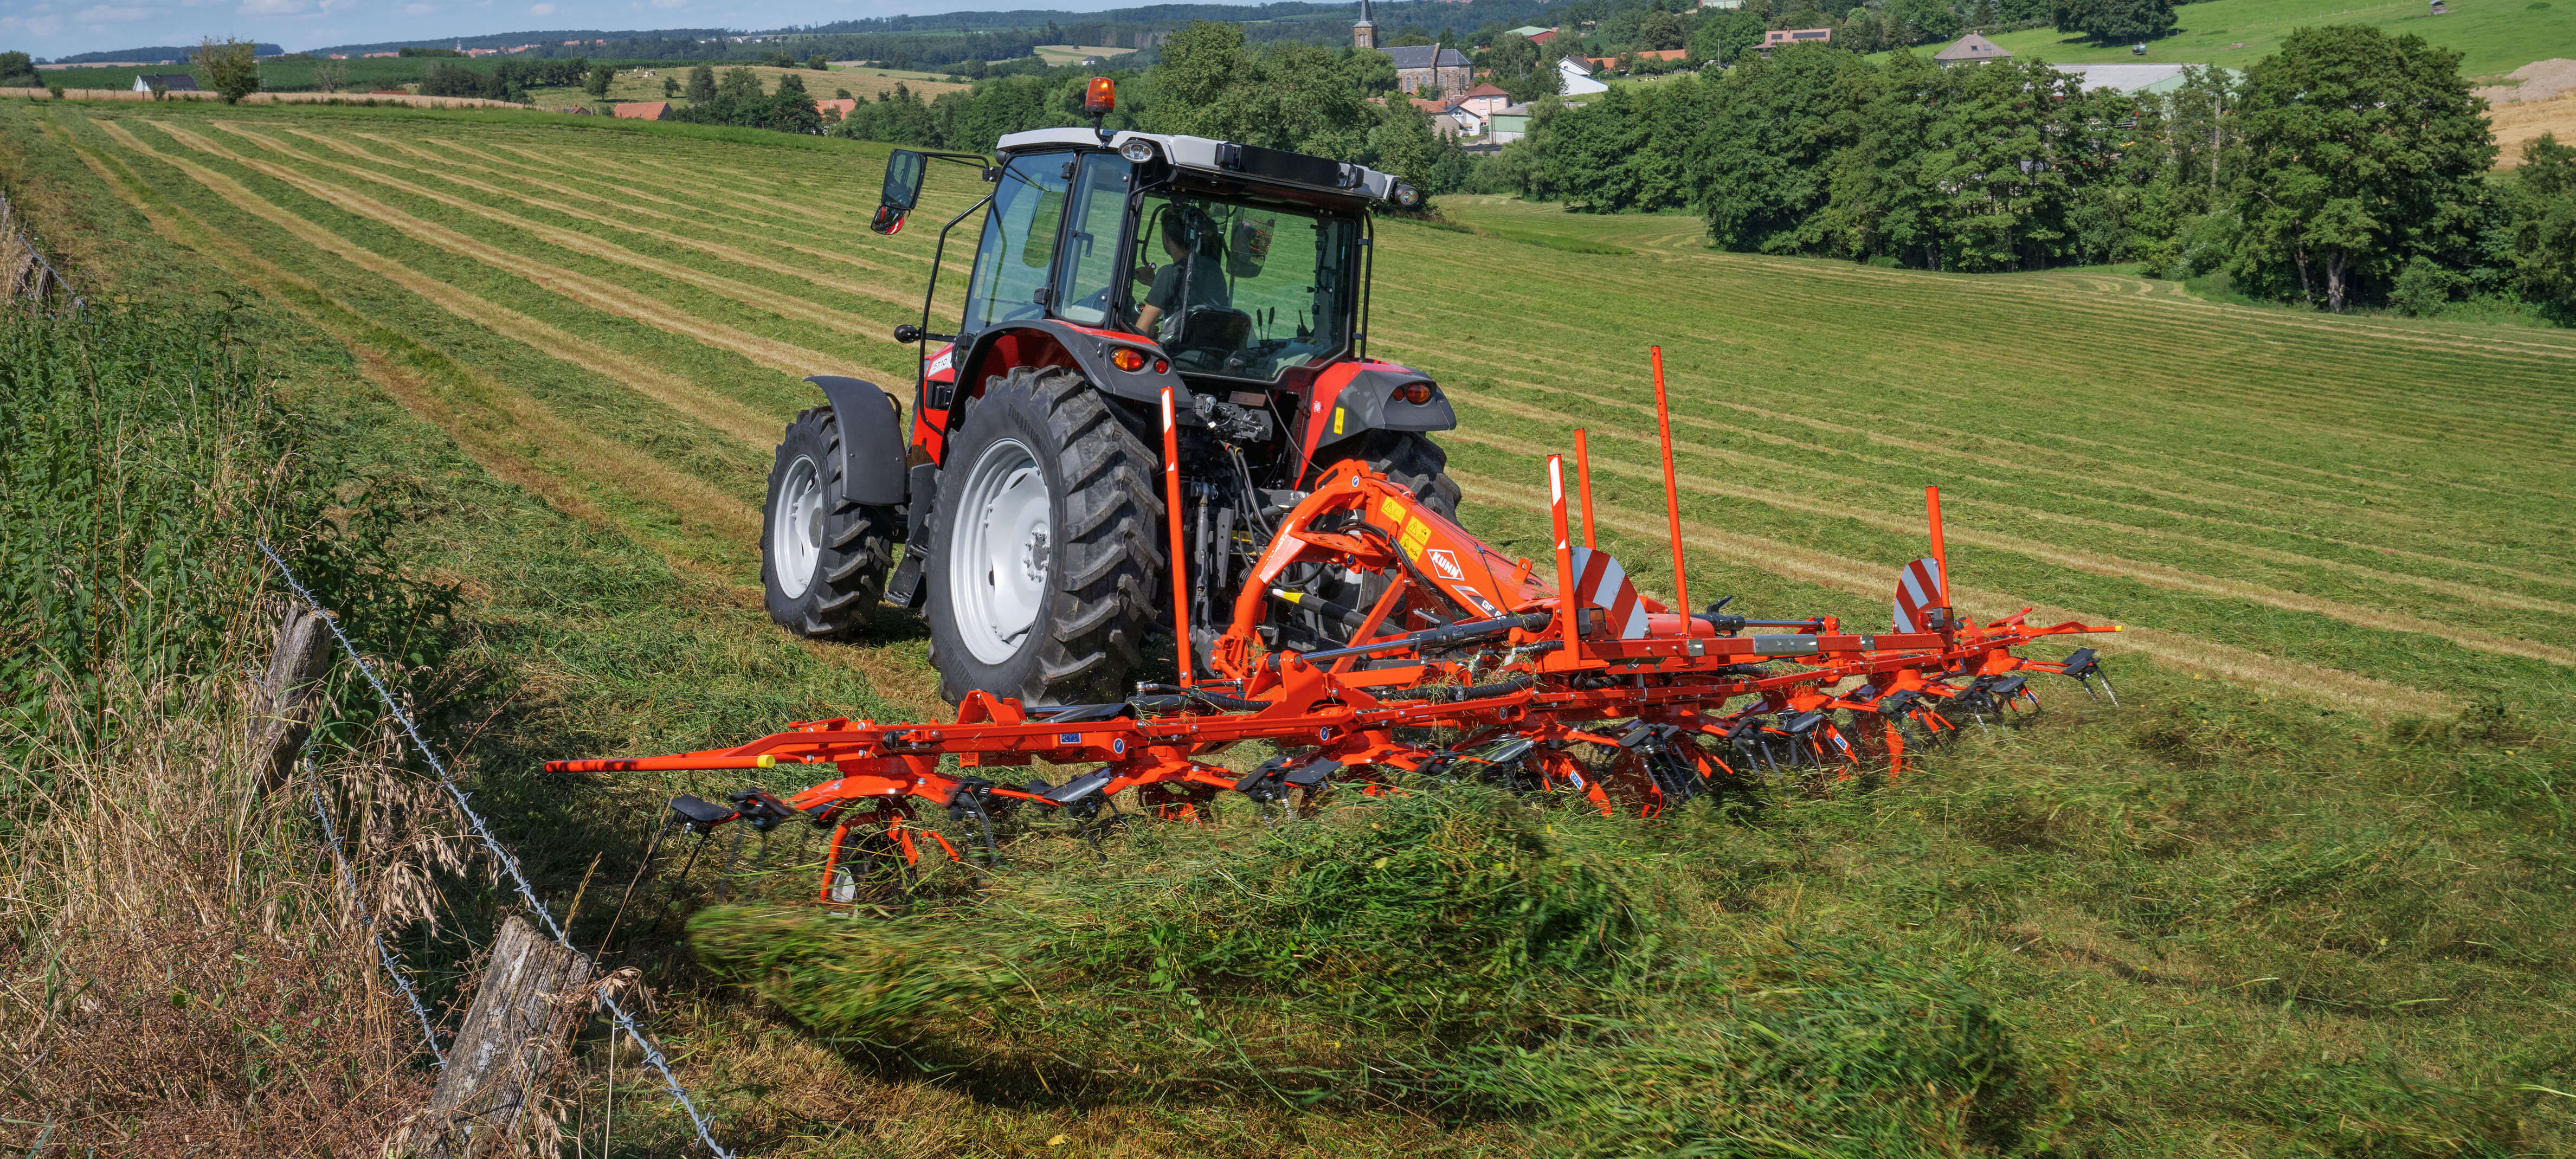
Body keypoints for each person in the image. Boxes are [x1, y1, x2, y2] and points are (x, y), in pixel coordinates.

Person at [1131, 204, 1229, 339]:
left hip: (1178, 351)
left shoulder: (1168, 274)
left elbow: (1142, 331)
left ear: (1167, 238)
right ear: (1196, 237)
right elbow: (1192, 295)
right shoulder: (1214, 269)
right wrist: (1154, 283)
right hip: (1209, 349)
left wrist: (1154, 334)